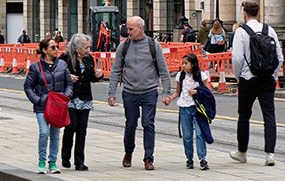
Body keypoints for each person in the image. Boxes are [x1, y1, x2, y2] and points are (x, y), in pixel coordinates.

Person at [108, 16, 172, 171]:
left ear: (140, 28)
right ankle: (128, 152)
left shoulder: (152, 45)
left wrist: (166, 92)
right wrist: (112, 93)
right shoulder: (124, 46)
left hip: (149, 91)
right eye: (127, 29)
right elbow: (116, 70)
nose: (127, 32)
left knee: (148, 124)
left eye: (131, 29)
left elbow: (163, 69)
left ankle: (148, 158)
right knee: (130, 124)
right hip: (130, 92)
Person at [230, 1, 283, 166]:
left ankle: (242, 152)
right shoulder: (269, 30)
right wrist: (273, 75)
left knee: (244, 116)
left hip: (248, 78)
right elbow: (279, 57)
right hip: (267, 78)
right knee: (269, 115)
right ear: (258, 14)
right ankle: (270, 154)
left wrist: (238, 77)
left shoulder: (241, 32)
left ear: (244, 14)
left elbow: (237, 58)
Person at [24, 37, 73, 174]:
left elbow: (69, 83)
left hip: (58, 106)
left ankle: (52, 162)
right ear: (44, 50)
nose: (56, 50)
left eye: (57, 47)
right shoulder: (35, 67)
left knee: (55, 134)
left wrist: (65, 97)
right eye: (53, 47)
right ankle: (41, 161)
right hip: (42, 105)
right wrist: (38, 100)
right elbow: (28, 87)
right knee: (44, 132)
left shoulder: (62, 65)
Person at [60, 34, 103, 170]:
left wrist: (98, 76)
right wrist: (67, 76)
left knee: (82, 129)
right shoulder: (65, 58)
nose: (88, 50)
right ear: (76, 48)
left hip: (85, 97)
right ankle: (65, 156)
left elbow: (90, 77)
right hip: (71, 97)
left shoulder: (89, 59)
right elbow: (56, 74)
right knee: (71, 127)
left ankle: (79, 161)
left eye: (89, 47)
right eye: (86, 47)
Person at [168, 52, 212, 170]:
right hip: (184, 107)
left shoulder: (201, 75)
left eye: (186, 63)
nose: (183, 65)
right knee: (187, 135)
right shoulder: (180, 76)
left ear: (193, 64)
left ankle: (202, 158)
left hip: (198, 108)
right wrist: (169, 99)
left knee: (199, 133)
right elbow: (178, 92)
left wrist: (197, 92)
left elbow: (208, 92)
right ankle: (189, 158)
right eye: (182, 63)